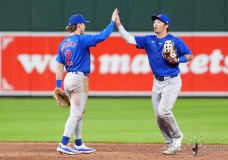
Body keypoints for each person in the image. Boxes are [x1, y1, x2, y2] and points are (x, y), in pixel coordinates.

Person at [116, 13, 193, 155]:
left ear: (166, 25)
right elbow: (129, 39)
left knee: (163, 111)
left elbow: (189, 55)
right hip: (157, 82)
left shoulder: (175, 41)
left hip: (172, 81)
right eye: (154, 22)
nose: (155, 24)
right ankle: (171, 143)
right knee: (159, 117)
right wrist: (119, 25)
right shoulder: (148, 40)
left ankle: (177, 135)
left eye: (159, 22)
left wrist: (177, 60)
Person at [54, 8, 119, 155]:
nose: (85, 26)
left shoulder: (62, 44)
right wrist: (112, 22)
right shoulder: (81, 40)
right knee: (76, 112)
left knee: (79, 112)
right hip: (78, 78)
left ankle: (78, 143)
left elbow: (59, 68)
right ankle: (63, 143)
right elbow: (102, 36)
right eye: (83, 24)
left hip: (68, 78)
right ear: (78, 26)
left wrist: (58, 87)